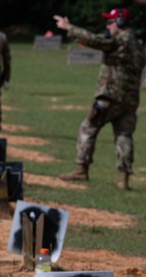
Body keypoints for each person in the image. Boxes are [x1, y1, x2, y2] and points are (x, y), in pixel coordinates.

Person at [55, 8, 146, 190]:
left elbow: (95, 40)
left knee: (88, 127)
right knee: (123, 135)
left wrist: (69, 27)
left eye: (111, 21)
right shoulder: (135, 42)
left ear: (120, 23)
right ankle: (123, 177)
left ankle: (81, 169)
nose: (108, 25)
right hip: (129, 99)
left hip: (110, 95)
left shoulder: (120, 40)